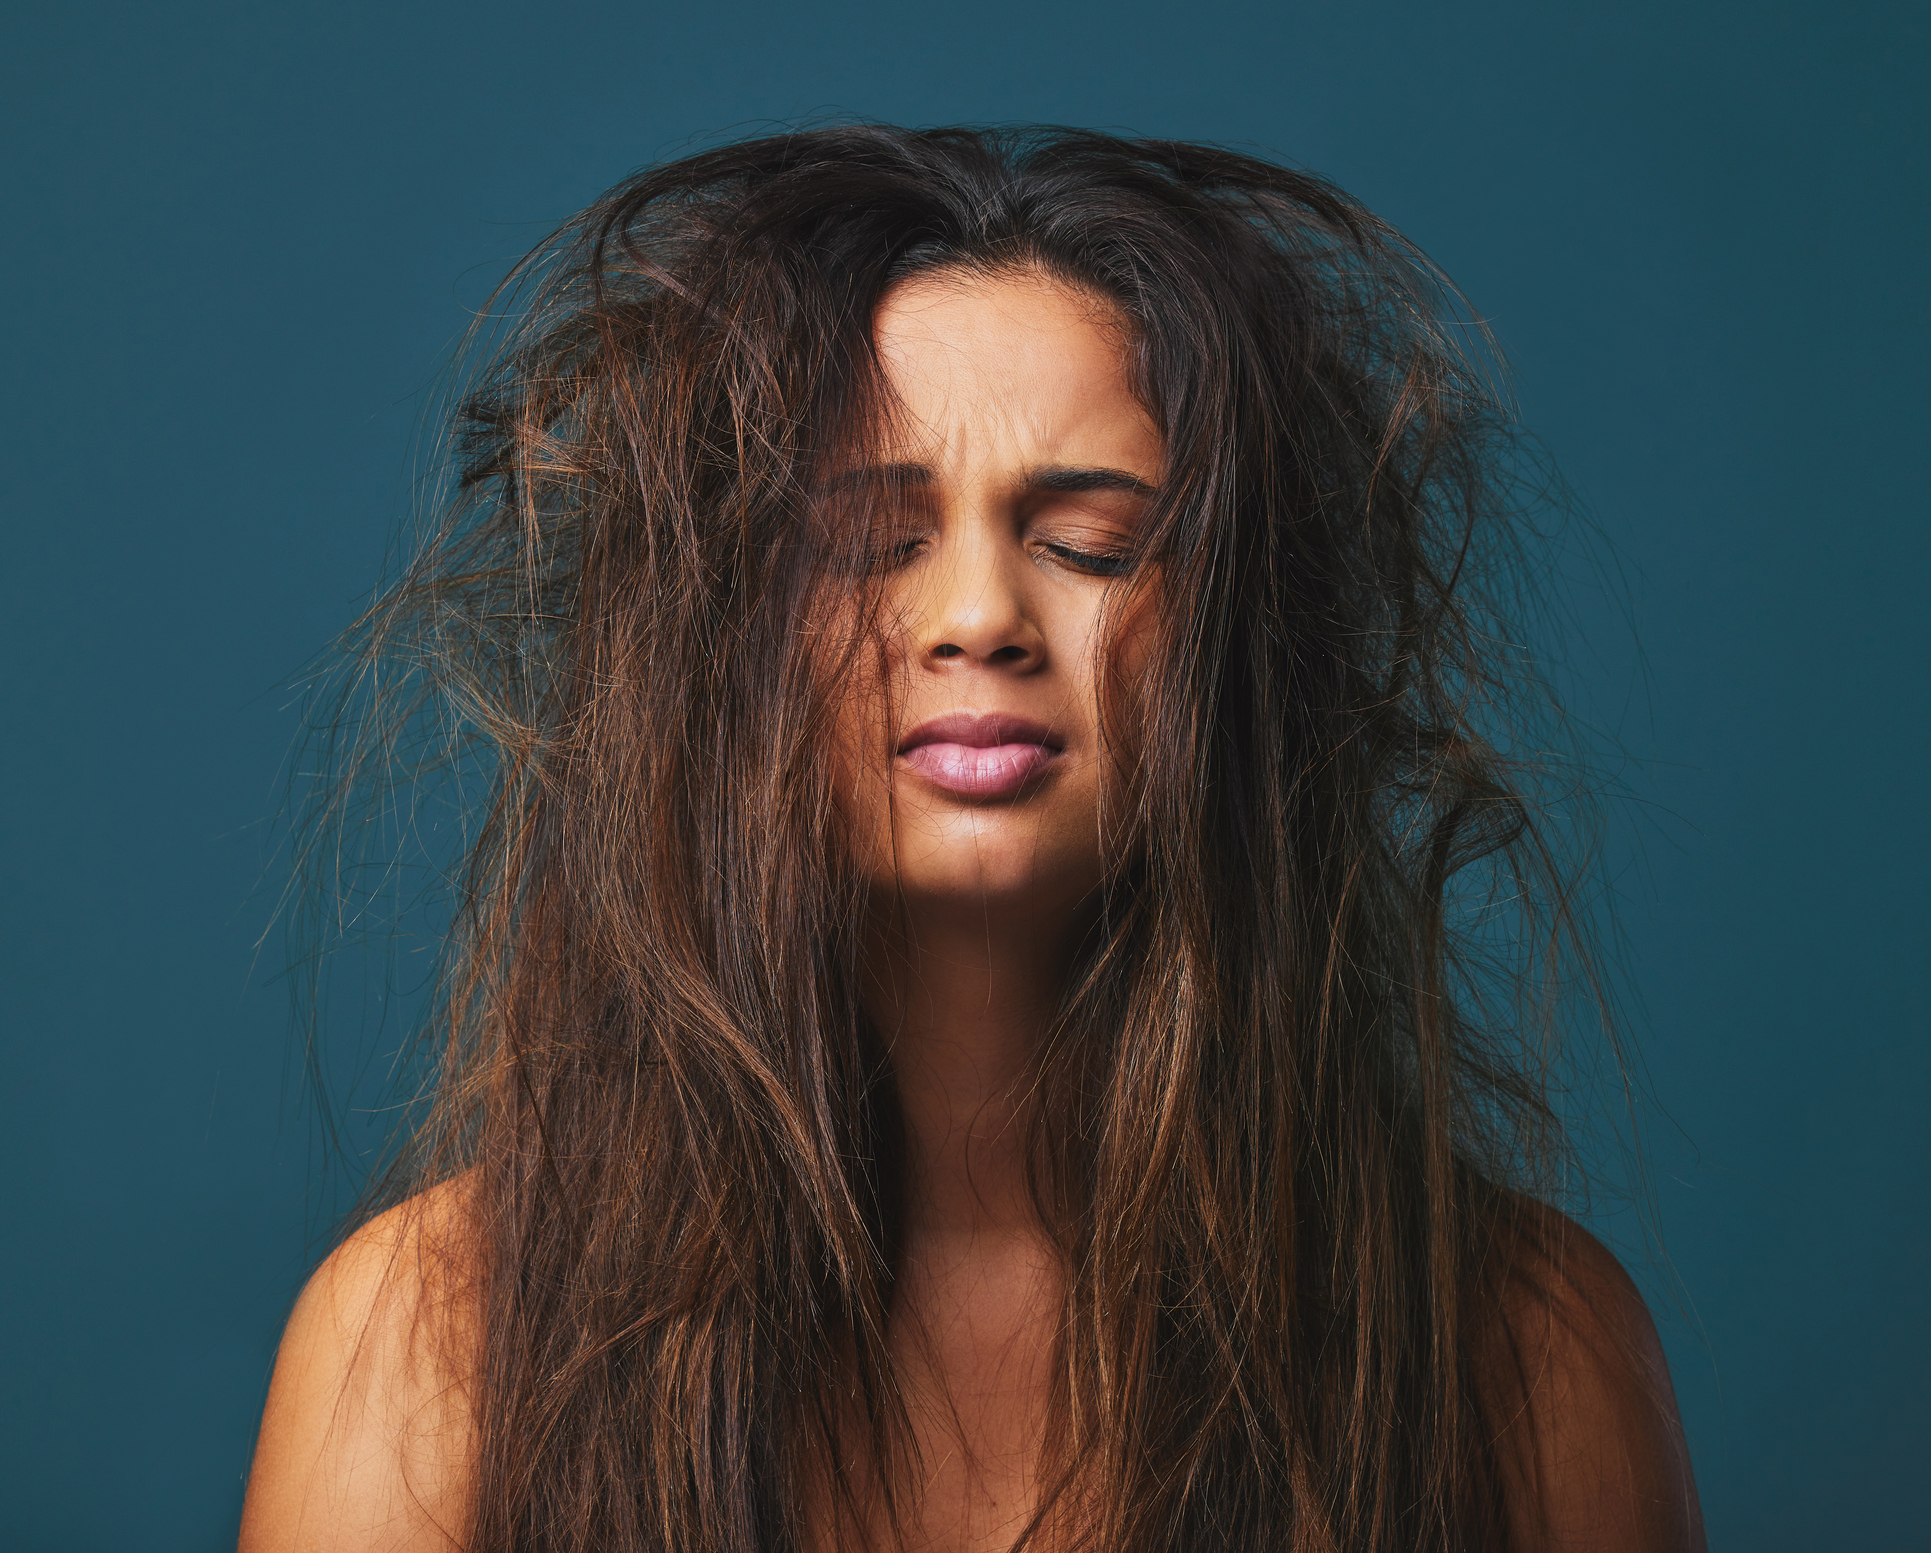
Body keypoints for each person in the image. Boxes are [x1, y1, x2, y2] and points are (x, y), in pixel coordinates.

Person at [237, 125, 1704, 1552]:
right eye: (871, 542)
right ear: (713, 648)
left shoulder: (1522, 1351)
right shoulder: (423, 1355)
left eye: (1090, 545)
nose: (980, 616)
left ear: (1245, 641)